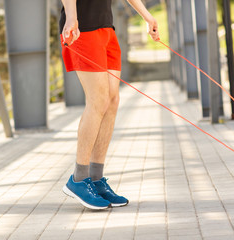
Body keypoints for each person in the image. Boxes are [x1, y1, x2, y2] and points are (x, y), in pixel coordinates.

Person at [60, 0, 160, 210]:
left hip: (106, 27)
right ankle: (78, 179)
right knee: (98, 100)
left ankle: (95, 179)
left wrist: (146, 16)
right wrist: (71, 16)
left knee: (112, 101)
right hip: (82, 27)